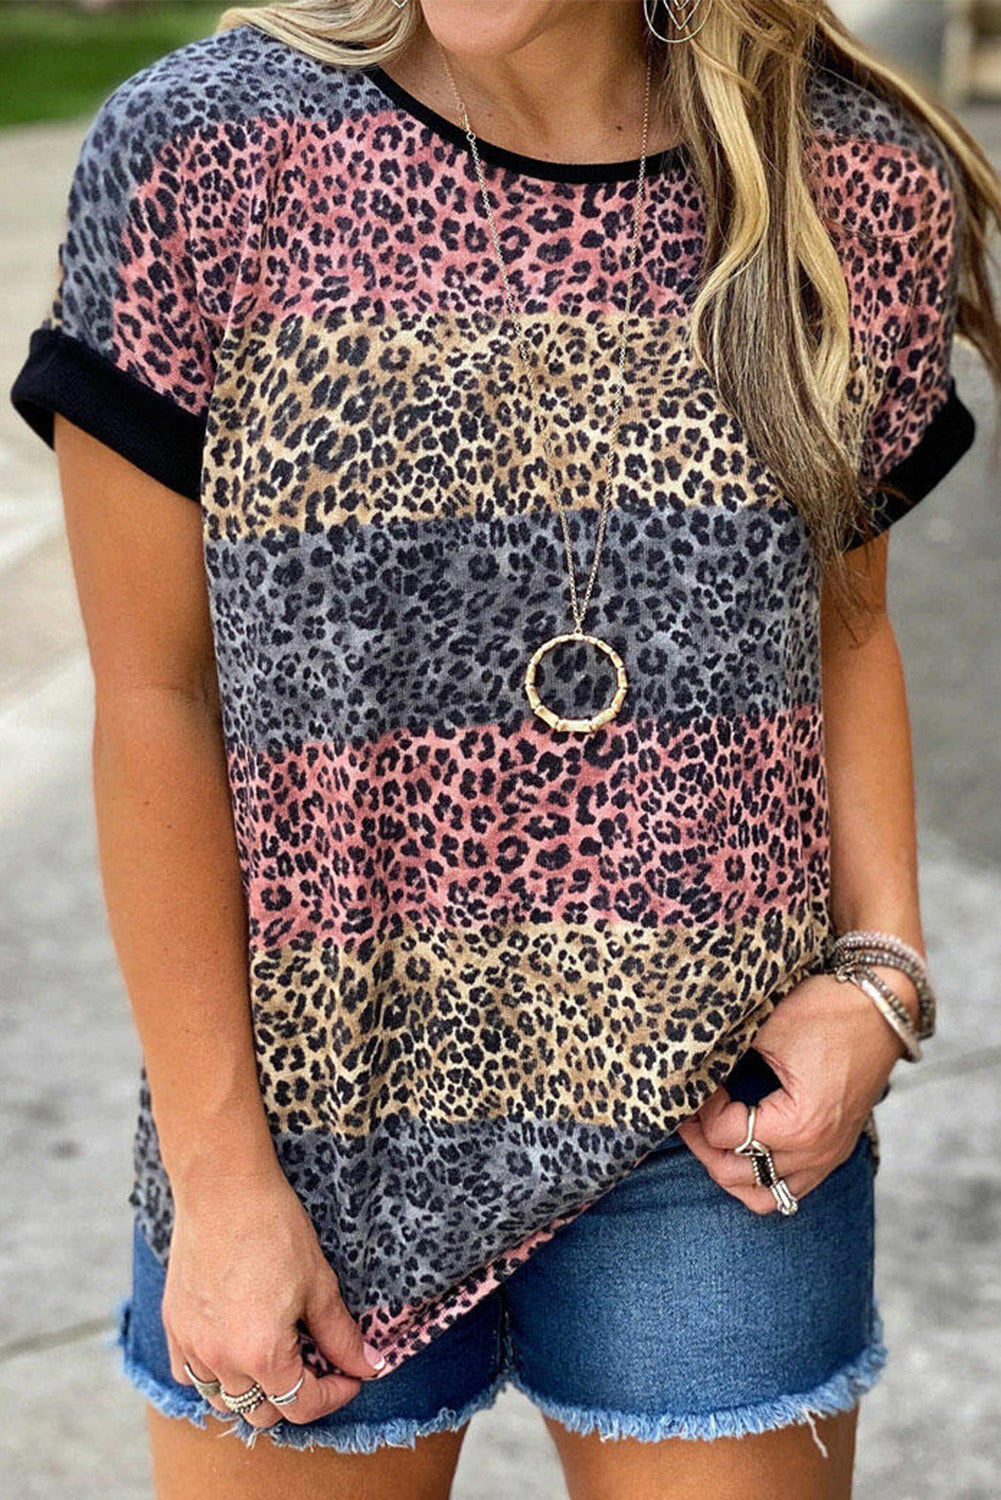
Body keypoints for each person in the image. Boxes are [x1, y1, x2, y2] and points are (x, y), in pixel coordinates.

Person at [9, 1, 1001, 1496]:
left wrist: (879, 975)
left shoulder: (840, 176)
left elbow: (847, 630)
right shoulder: (206, 150)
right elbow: (156, 692)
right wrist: (218, 1179)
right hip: (314, 1119)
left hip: (719, 1117)